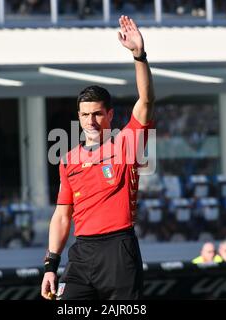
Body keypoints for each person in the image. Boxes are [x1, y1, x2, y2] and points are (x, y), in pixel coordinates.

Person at [41, 15, 155, 300]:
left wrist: (139, 55)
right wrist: (50, 266)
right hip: (81, 255)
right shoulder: (68, 159)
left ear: (110, 115)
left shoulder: (127, 143)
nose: (90, 120)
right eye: (84, 114)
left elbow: (147, 101)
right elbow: (62, 215)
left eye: (97, 113)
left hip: (119, 250)